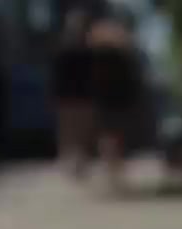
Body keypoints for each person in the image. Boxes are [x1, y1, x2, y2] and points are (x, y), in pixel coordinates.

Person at [86, 12, 141, 192]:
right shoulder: (117, 55)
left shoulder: (100, 56)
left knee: (110, 136)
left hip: (111, 99)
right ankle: (115, 170)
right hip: (114, 100)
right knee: (114, 136)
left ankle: (113, 170)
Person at [51, 11, 93, 177]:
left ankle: (80, 162)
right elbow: (57, 75)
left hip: (83, 97)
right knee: (68, 132)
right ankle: (68, 161)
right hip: (67, 98)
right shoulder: (63, 49)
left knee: (81, 132)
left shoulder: (88, 50)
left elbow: (92, 75)